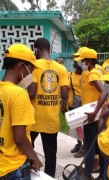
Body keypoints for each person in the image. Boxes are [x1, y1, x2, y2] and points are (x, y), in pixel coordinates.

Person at [0, 44, 43, 180]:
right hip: (12, 168)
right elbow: (20, 138)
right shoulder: (18, 94)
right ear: (22, 66)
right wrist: (34, 158)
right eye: (31, 69)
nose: (31, 74)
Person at [28, 38, 69, 178]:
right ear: (49, 50)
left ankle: (30, 174)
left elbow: (32, 94)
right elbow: (65, 94)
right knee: (50, 154)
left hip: (33, 119)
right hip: (52, 120)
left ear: (36, 50)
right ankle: (50, 177)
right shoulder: (61, 68)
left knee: (28, 149)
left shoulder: (34, 66)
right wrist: (63, 105)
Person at [74, 47, 107, 175]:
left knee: (90, 148)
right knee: (97, 146)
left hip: (92, 116)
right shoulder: (90, 72)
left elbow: (103, 92)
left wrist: (94, 112)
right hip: (93, 115)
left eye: (81, 60)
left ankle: (86, 174)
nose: (79, 63)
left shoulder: (93, 73)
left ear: (88, 61)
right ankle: (102, 175)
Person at [68, 61, 85, 157]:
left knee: (84, 126)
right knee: (76, 126)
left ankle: (84, 146)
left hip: (84, 104)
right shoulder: (69, 75)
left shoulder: (86, 75)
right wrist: (63, 104)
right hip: (73, 104)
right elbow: (66, 88)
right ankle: (79, 144)